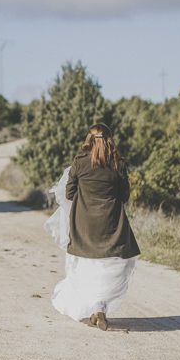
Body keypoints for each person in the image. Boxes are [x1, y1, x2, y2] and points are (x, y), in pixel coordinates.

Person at [49, 123, 140, 331]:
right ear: (109, 140)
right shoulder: (118, 164)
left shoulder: (80, 162)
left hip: (84, 224)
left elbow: (70, 194)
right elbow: (124, 195)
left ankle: (96, 308)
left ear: (88, 141)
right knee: (109, 265)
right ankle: (99, 308)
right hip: (112, 223)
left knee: (87, 265)